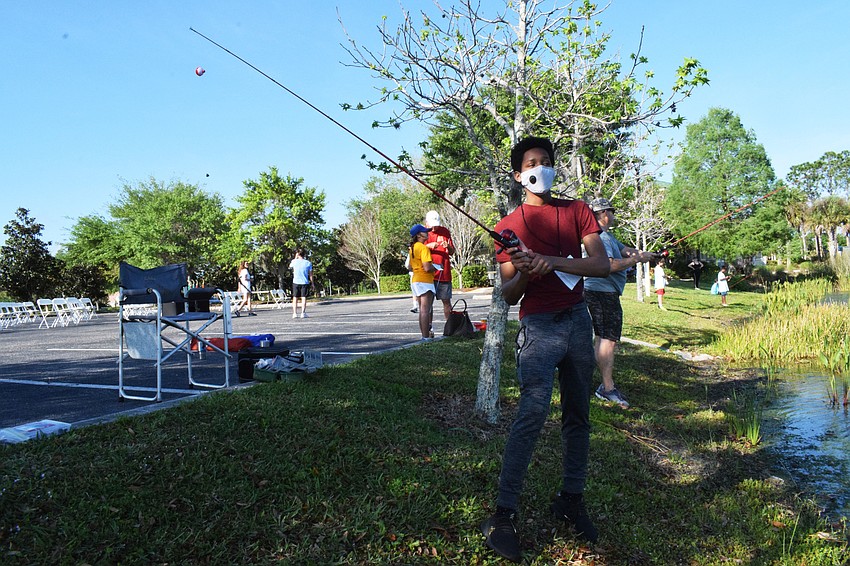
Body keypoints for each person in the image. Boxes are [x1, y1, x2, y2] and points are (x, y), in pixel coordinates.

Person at [480, 136, 610, 562]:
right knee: (532, 413)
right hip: (538, 328)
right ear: (518, 175)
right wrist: (523, 271)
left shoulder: (577, 211)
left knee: (578, 415)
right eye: (532, 163)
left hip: (577, 322)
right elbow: (510, 294)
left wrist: (551, 261)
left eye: (546, 161)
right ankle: (503, 515)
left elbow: (600, 264)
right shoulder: (508, 227)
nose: (541, 168)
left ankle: (571, 500)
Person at [584, 198, 657, 409]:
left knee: (602, 337)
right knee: (608, 339)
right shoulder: (601, 238)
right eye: (612, 211)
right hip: (603, 292)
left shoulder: (605, 236)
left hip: (599, 292)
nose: (614, 215)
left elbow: (625, 250)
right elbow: (609, 265)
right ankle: (607, 388)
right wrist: (635, 260)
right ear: (604, 213)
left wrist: (643, 254)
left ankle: (600, 383)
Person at [423, 210, 456, 320]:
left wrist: (448, 246)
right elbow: (415, 249)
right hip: (428, 274)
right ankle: (429, 328)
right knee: (428, 304)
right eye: (431, 225)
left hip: (444, 273)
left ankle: (449, 326)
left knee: (447, 302)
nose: (434, 228)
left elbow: (452, 251)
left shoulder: (445, 231)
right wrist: (428, 246)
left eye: (436, 225)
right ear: (426, 222)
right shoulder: (422, 233)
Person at [408, 224, 436, 340]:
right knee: (425, 310)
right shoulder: (424, 248)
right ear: (419, 235)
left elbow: (410, 267)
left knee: (422, 309)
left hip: (416, 280)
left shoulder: (413, 248)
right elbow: (427, 268)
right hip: (425, 281)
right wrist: (437, 267)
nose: (427, 233)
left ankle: (424, 336)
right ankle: (426, 337)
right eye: (425, 232)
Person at [289, 249, 314, 318]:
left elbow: (290, 266)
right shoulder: (308, 263)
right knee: (303, 298)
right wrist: (312, 283)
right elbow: (311, 274)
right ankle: (303, 313)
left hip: (296, 282)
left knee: (295, 298)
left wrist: (295, 257)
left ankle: (294, 313)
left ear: (298, 254)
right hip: (304, 282)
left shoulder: (294, 261)